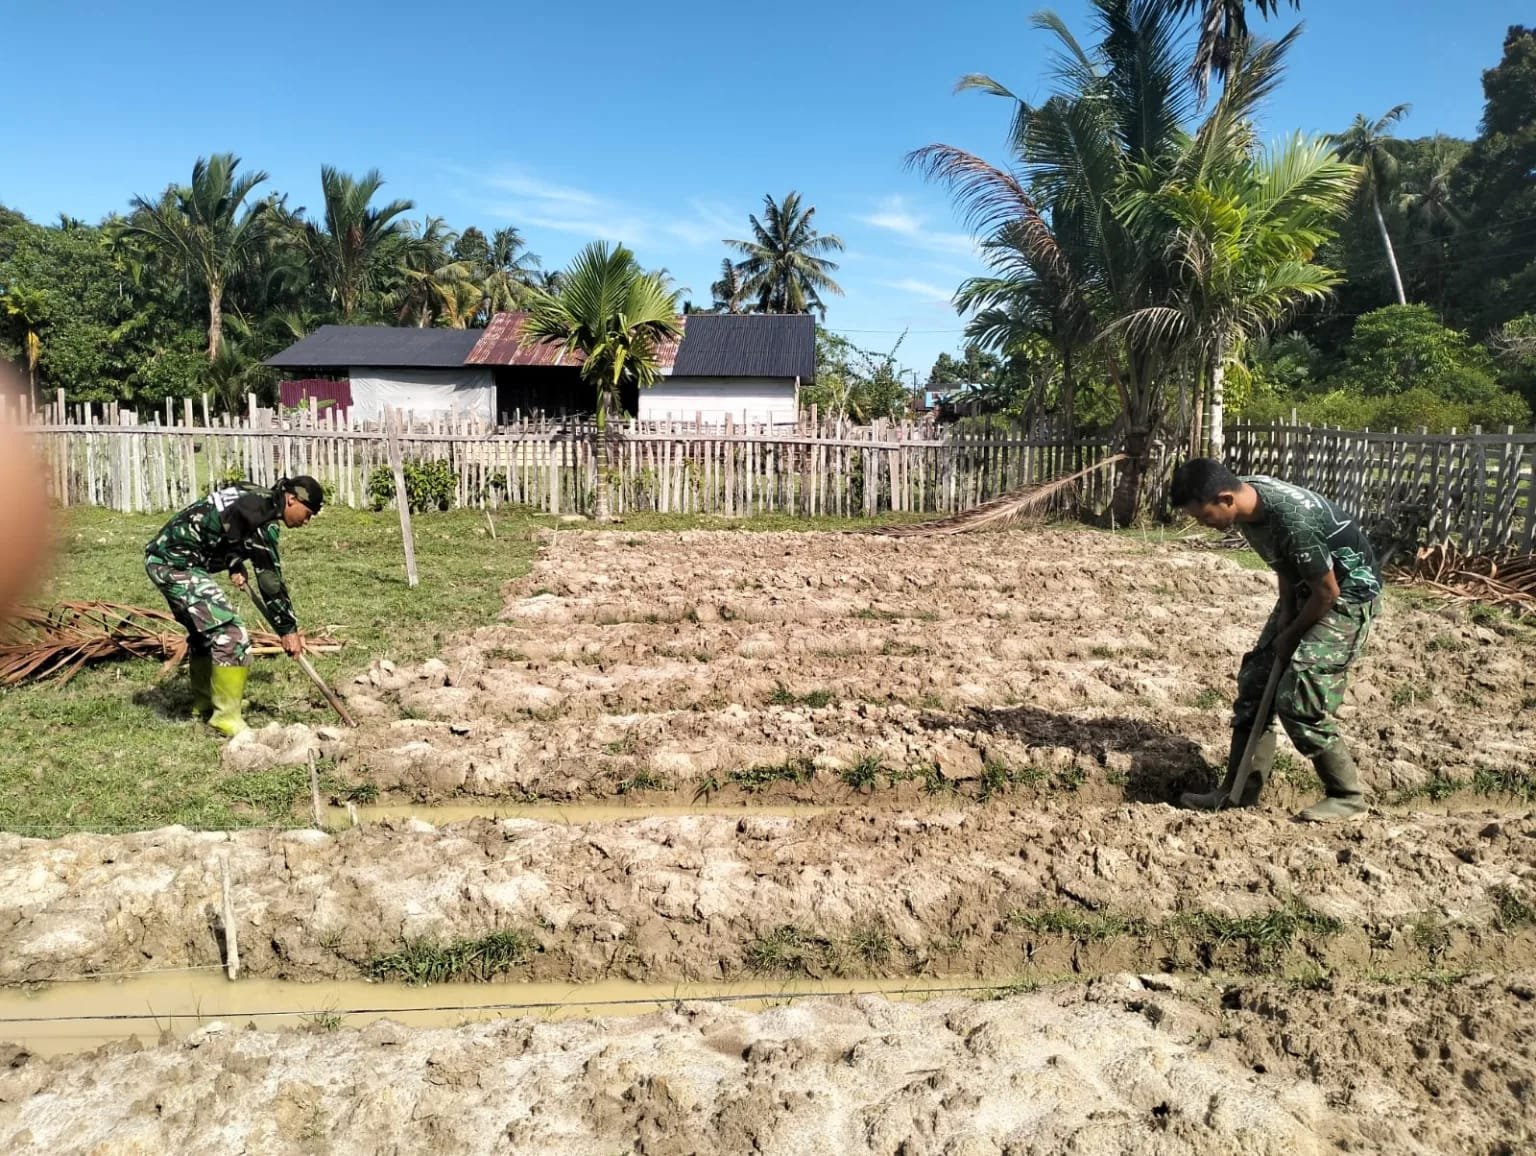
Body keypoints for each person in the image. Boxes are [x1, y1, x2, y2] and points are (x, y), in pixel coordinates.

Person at [1169, 459, 1382, 822]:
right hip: (1308, 589)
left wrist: (1292, 635)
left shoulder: (1292, 519)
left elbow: (1327, 592)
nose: (1204, 525)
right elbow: (1284, 562)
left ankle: (1348, 796)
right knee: (1256, 681)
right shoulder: (1248, 504)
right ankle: (1236, 792)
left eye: (1205, 517)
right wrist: (1285, 612)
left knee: (1299, 697)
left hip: (1347, 596)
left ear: (1225, 499)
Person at [144, 475, 323, 736]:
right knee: (230, 634)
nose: (306, 523)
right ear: (291, 499)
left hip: (167, 558)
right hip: (174, 564)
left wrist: (234, 561)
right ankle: (225, 717)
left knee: (205, 632)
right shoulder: (263, 518)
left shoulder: (256, 496)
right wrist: (288, 630)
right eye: (307, 514)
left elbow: (225, 523)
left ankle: (206, 702)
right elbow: (270, 580)